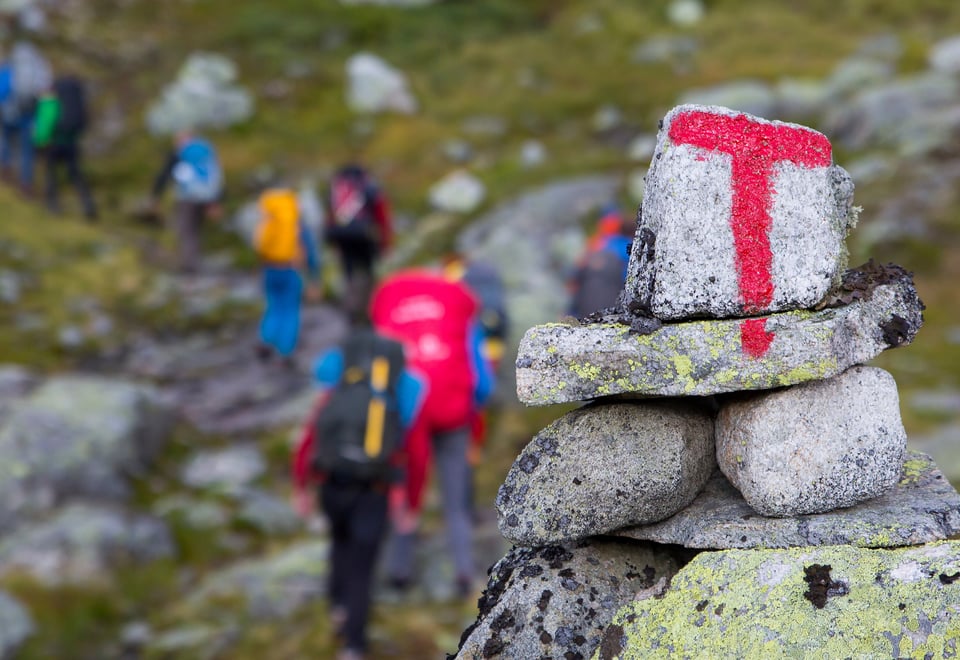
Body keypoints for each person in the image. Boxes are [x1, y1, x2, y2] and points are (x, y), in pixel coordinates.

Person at [292, 323, 425, 660]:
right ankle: (353, 644)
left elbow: (311, 433)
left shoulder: (339, 374)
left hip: (332, 483)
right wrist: (410, 502)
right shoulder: (406, 386)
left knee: (338, 542)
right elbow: (416, 450)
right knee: (363, 566)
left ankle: (337, 608)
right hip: (374, 488)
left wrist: (301, 486)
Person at [369, 268, 493, 597]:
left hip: (408, 410)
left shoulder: (388, 300)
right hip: (454, 407)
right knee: (455, 498)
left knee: (407, 487)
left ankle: (400, 569)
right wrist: (475, 406)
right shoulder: (458, 302)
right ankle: (464, 572)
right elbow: (479, 370)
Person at [253, 187, 320, 364]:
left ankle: (266, 339)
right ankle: (286, 350)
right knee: (290, 310)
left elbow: (260, 246)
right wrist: (314, 277)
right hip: (290, 269)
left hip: (270, 268)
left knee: (273, 305)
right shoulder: (296, 224)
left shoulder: (270, 218)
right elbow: (310, 252)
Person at [324, 164, 392, 317]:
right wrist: (385, 244)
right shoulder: (369, 186)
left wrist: (332, 242)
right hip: (363, 236)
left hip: (341, 237)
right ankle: (370, 308)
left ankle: (350, 309)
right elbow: (382, 217)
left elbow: (330, 217)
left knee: (348, 272)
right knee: (367, 270)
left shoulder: (338, 188)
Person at [150, 131, 224, 273]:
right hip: (207, 196)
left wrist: (156, 195)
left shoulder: (180, 153)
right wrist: (216, 201)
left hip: (187, 197)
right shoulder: (207, 151)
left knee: (186, 230)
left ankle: (189, 266)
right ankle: (197, 262)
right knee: (197, 229)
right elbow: (217, 175)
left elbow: (165, 175)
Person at [32, 75, 97, 220]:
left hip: (53, 142)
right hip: (71, 141)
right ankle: (87, 203)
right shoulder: (74, 100)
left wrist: (39, 142)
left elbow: (45, 124)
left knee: (51, 173)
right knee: (75, 173)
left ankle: (53, 205)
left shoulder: (50, 102)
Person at [0, 41, 51, 195]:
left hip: (9, 113)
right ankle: (26, 183)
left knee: (6, 140)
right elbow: (45, 94)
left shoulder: (10, 67)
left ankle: (5, 167)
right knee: (26, 151)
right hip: (29, 115)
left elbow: (3, 89)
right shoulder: (38, 67)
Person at [568, 212, 637, 318]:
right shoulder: (629, 247)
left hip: (587, 305)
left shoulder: (599, 244)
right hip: (613, 305)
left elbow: (577, 277)